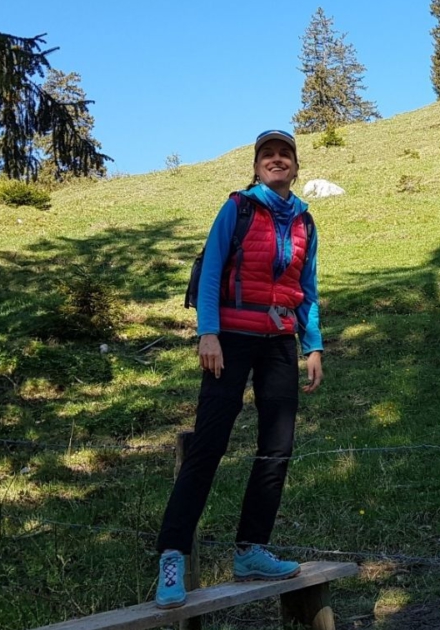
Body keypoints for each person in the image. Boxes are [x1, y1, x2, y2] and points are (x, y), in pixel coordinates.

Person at [154, 129, 324, 609]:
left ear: (295, 165)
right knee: (208, 444)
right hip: (227, 340)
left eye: (284, 155)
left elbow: (307, 287)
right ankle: (172, 555)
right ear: (256, 166)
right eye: (268, 155)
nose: (276, 160)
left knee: (277, 448)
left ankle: (251, 550)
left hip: (278, 344)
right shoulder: (239, 207)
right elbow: (210, 271)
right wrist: (207, 332)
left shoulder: (305, 221)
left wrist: (313, 346)